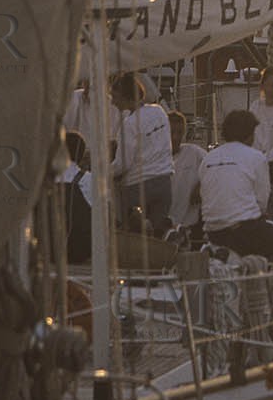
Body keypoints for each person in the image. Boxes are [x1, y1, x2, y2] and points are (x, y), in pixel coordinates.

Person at [199, 111, 273, 261]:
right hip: (245, 230)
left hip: (214, 233)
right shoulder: (256, 157)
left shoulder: (207, 159)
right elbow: (261, 203)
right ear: (249, 135)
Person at [108, 73, 174, 232]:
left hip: (138, 188)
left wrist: (101, 172)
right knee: (158, 235)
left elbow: (123, 164)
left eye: (115, 97)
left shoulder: (129, 124)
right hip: (164, 184)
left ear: (126, 96)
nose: (112, 101)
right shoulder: (160, 112)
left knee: (133, 235)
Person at [58, 130, 94, 263]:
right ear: (81, 155)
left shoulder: (47, 180)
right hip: (81, 250)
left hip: (50, 249)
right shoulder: (90, 179)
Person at [167, 110, 206, 231]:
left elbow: (215, 169)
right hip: (163, 224)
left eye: (180, 132)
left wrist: (201, 186)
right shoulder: (154, 158)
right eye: (171, 132)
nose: (175, 137)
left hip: (189, 225)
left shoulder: (194, 153)